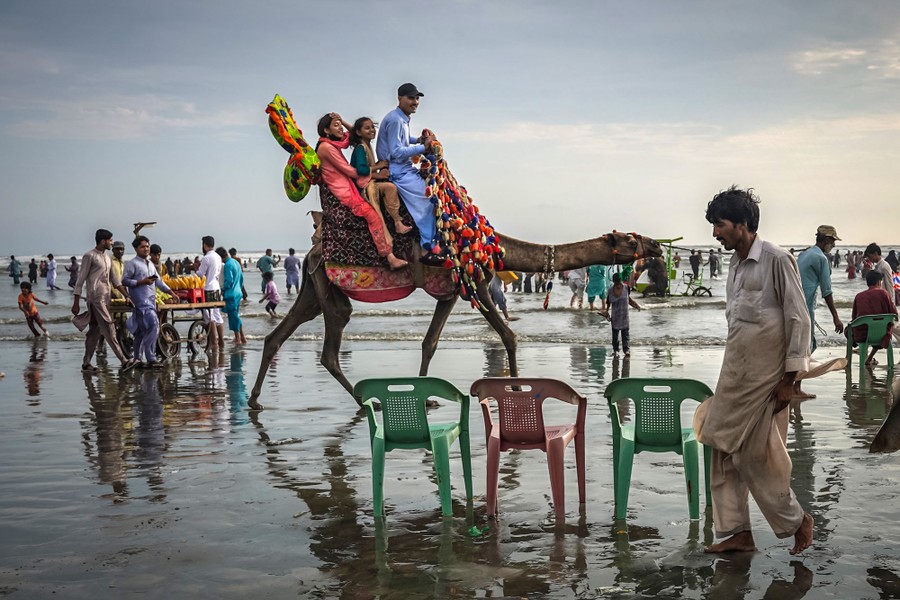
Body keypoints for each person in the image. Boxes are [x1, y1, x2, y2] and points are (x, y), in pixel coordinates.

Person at [698, 186, 813, 556]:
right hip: (734, 375)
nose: (715, 233)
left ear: (743, 224)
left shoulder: (778, 260)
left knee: (753, 457)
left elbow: (799, 318)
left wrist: (790, 380)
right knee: (718, 449)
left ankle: (797, 520)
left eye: (720, 224)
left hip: (768, 381)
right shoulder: (734, 263)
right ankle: (737, 532)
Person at [316, 112, 408, 270]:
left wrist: (341, 120)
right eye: (335, 126)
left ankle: (397, 222)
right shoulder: (326, 148)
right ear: (326, 130)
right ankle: (390, 256)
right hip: (343, 190)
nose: (340, 129)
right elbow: (352, 172)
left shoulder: (334, 144)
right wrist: (378, 170)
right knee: (373, 216)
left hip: (348, 185)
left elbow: (354, 135)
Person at [376, 83, 441, 264]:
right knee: (429, 199)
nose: (415, 102)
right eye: (411, 98)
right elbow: (397, 152)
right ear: (400, 98)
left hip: (403, 167)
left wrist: (418, 140)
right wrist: (423, 147)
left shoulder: (401, 118)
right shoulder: (397, 120)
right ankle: (426, 249)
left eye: (417, 98)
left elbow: (403, 141)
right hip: (398, 170)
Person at [72, 229, 133, 372]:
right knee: (109, 328)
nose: (112, 243)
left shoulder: (107, 258)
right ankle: (124, 361)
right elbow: (80, 280)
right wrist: (76, 302)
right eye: (110, 240)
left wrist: (127, 296)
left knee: (94, 330)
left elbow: (115, 281)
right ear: (103, 241)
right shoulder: (89, 256)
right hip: (95, 299)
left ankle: (86, 363)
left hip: (106, 299)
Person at [350, 116, 413, 238]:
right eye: (367, 128)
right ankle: (397, 222)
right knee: (390, 188)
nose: (372, 130)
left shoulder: (367, 146)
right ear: (358, 132)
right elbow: (361, 170)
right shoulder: (360, 149)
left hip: (368, 181)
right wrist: (378, 168)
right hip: (363, 187)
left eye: (372, 127)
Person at [796, 225, 844, 371]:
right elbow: (827, 291)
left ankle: (791, 383)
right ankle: (796, 386)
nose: (834, 245)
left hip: (793, 303)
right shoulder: (821, 258)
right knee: (806, 346)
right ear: (827, 240)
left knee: (800, 344)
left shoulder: (804, 254)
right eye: (833, 241)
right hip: (805, 307)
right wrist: (836, 317)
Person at [122, 236, 174, 368]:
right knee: (154, 325)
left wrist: (171, 292)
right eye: (142, 246)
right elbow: (125, 281)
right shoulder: (132, 264)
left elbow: (158, 281)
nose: (145, 249)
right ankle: (150, 357)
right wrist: (141, 282)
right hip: (140, 302)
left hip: (150, 301)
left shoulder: (150, 264)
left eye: (147, 246)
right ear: (136, 249)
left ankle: (137, 358)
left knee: (140, 332)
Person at [848, 271, 897, 365]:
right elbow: (894, 314)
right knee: (886, 327)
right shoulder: (884, 294)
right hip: (881, 334)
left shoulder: (859, 296)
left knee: (849, 330)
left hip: (862, 335)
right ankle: (869, 358)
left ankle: (853, 358)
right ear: (879, 282)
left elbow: (854, 318)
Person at [196, 235, 224, 351]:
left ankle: (214, 342)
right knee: (217, 314)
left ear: (204, 245)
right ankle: (221, 341)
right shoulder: (218, 256)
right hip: (216, 288)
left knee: (209, 316)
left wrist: (196, 269)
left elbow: (201, 274)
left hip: (208, 288)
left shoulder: (206, 258)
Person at [603, 272, 641, 356]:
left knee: (625, 334)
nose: (618, 285)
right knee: (615, 336)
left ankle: (626, 350)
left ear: (621, 281)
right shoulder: (610, 291)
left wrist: (636, 305)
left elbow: (629, 300)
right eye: (616, 283)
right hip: (615, 316)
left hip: (624, 315)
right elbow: (608, 302)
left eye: (619, 283)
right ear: (613, 282)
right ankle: (615, 350)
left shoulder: (626, 288)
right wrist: (606, 312)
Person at [218, 247, 247, 345]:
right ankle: (241, 337)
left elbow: (229, 280)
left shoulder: (228, 265)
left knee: (233, 316)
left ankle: (238, 338)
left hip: (231, 293)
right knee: (235, 315)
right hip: (238, 292)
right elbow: (241, 278)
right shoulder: (236, 263)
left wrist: (223, 289)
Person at [864, 243, 897, 309]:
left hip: (885, 300)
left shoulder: (884, 266)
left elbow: (889, 285)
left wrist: (892, 304)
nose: (869, 259)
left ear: (875, 253)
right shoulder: (878, 266)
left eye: (869, 256)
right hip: (881, 299)